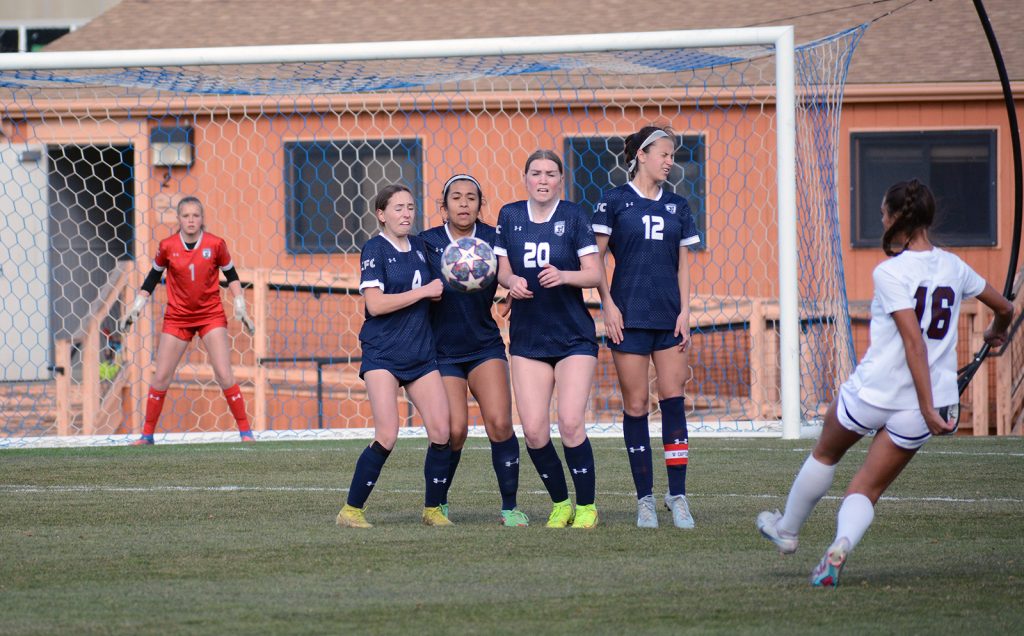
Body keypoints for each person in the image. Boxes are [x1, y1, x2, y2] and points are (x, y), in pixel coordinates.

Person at [756, 179, 1013, 587]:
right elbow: (1005, 307)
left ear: (897, 218)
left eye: (882, 213)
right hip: (923, 406)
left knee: (825, 452)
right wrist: (995, 331)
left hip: (878, 391)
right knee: (866, 488)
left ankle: (787, 530)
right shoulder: (954, 266)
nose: (881, 219)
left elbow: (913, 340)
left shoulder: (889, 272)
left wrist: (928, 405)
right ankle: (839, 545)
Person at [593, 125, 701, 529]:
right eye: (665, 154)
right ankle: (645, 501)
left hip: (669, 318)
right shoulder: (613, 203)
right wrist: (608, 306)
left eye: (672, 155)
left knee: (673, 401)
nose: (670, 161)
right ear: (641, 155)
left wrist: (685, 311)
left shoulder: (678, 206)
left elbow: (683, 263)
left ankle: (679, 496)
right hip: (630, 317)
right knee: (636, 406)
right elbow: (597, 262)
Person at [494, 150, 603, 528]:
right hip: (528, 338)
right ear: (525, 177)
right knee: (535, 429)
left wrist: (565, 275)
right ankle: (561, 504)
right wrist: (512, 283)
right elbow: (502, 268)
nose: (543, 180)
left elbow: (594, 273)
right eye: (536, 173)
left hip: (573, 336)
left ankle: (587, 506)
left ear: (561, 180)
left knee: (571, 423)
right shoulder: (509, 215)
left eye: (551, 174)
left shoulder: (574, 216)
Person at [336, 184, 453, 528]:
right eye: (398, 208)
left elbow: (443, 284)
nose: (405, 213)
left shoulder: (420, 246)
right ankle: (351, 511)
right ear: (381, 214)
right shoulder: (374, 248)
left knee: (442, 432)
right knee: (387, 433)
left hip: (420, 354)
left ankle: (433, 509)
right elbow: (375, 304)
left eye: (410, 207)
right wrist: (423, 293)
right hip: (383, 354)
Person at [420, 174, 528, 527]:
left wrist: (513, 286)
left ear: (480, 205)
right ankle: (438, 504)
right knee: (455, 430)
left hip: (484, 346)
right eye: (456, 197)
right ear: (444, 205)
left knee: (499, 422)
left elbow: (511, 272)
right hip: (442, 351)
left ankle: (510, 508)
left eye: (471, 198)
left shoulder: (494, 238)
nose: (463, 203)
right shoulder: (427, 243)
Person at [120, 196, 257, 444]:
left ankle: (246, 433)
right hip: (177, 316)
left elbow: (232, 275)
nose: (191, 220)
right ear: (179, 219)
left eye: (195, 215)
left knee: (224, 374)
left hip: (210, 315)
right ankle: (147, 435)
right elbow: (152, 278)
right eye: (186, 215)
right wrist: (137, 306)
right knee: (161, 376)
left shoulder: (216, 244)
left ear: (202, 219)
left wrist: (240, 303)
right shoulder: (167, 246)